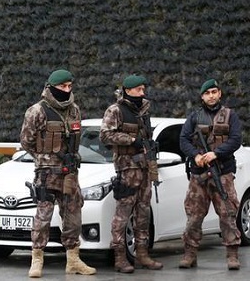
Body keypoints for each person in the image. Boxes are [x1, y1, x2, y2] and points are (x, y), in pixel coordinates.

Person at [20, 69, 96, 278]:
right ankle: (37, 260)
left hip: (69, 172)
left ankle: (73, 260)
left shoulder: (74, 110)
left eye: (69, 86)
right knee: (43, 217)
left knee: (73, 215)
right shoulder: (37, 111)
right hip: (47, 172)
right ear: (51, 87)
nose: (67, 90)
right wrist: (43, 156)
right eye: (63, 87)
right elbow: (26, 141)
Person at [100, 74, 163, 273]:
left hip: (144, 168)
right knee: (122, 214)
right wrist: (132, 140)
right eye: (138, 89)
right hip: (127, 169)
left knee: (143, 213)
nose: (142, 93)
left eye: (143, 89)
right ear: (127, 90)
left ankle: (142, 254)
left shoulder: (144, 110)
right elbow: (105, 135)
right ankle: (119, 257)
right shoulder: (116, 110)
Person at [178, 78, 242, 270]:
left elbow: (236, 139)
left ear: (219, 93)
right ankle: (190, 254)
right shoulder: (194, 117)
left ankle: (232, 255)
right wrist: (195, 155)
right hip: (199, 175)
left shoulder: (231, 116)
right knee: (194, 216)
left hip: (222, 173)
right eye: (207, 93)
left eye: (214, 92)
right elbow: (183, 140)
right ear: (202, 96)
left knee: (227, 214)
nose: (211, 96)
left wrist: (216, 153)